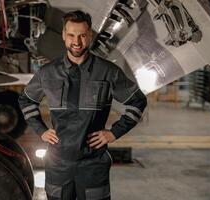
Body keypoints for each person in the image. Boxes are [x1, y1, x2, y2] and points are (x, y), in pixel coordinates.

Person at [18, 10, 147, 200]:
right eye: (71, 35)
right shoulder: (47, 73)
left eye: (82, 35)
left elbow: (138, 101)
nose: (76, 42)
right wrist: (41, 130)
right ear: (63, 35)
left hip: (93, 165)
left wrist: (113, 133)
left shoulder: (108, 72)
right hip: (58, 165)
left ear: (90, 36)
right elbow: (26, 99)